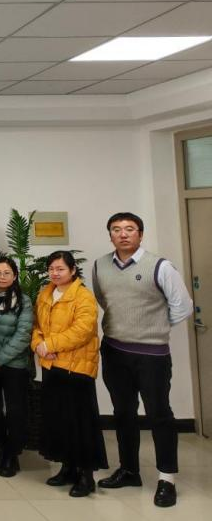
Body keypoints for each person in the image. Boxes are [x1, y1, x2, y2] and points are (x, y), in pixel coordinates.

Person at [92, 212, 193, 507]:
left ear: (140, 234)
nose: (123, 234)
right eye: (116, 229)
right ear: (110, 235)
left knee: (159, 415)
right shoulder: (100, 266)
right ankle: (129, 470)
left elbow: (183, 306)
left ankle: (167, 479)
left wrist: (154, 327)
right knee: (123, 413)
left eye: (129, 229)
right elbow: (105, 300)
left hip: (152, 355)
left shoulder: (160, 266)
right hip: (114, 351)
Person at [32, 251, 107, 497]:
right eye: (51, 269)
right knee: (59, 420)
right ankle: (67, 468)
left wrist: (50, 344)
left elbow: (83, 330)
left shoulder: (83, 296)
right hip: (52, 366)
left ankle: (86, 475)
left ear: (73, 270)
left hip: (77, 367)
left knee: (80, 422)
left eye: (60, 269)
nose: (55, 273)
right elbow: (37, 326)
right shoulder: (45, 293)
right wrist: (38, 344)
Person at [0, 257, 33, 478]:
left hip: (14, 364)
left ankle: (12, 455)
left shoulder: (24, 301)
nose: (1, 277)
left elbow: (24, 334)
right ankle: (1, 451)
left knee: (15, 411)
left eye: (6, 273)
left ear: (14, 276)